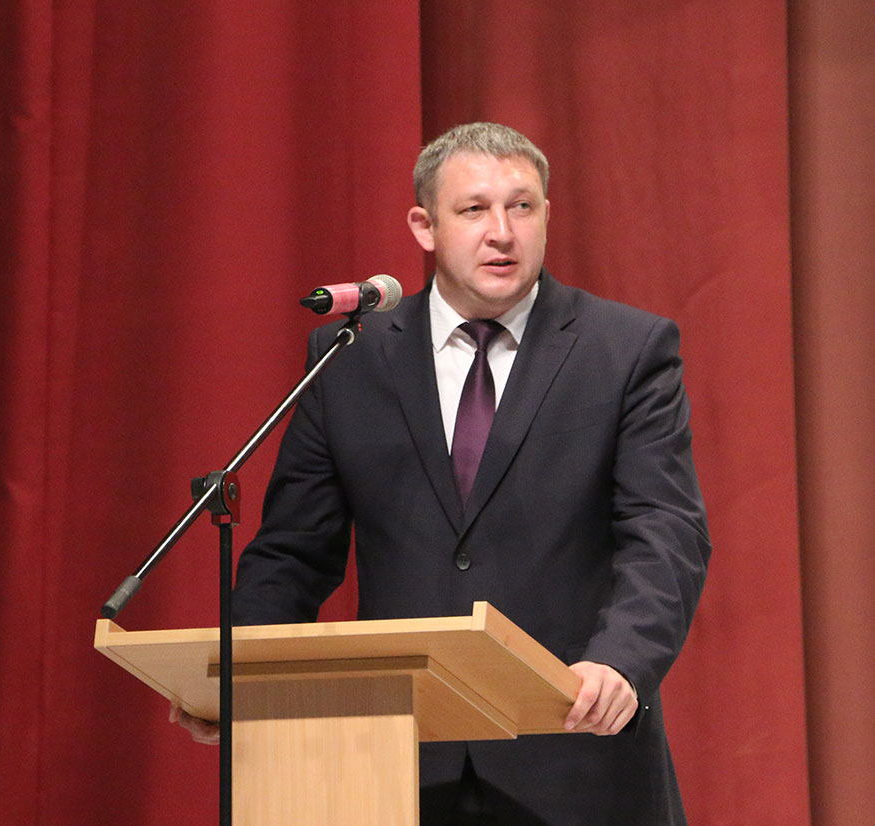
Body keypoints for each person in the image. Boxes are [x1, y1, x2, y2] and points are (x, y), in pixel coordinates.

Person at [174, 122, 711, 825]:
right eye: (474, 209)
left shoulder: (626, 349)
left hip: (573, 744)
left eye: (522, 207)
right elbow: (293, 553)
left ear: (548, 215)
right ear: (424, 227)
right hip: (397, 759)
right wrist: (243, 677)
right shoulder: (350, 358)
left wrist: (620, 661)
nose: (502, 233)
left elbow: (665, 531)